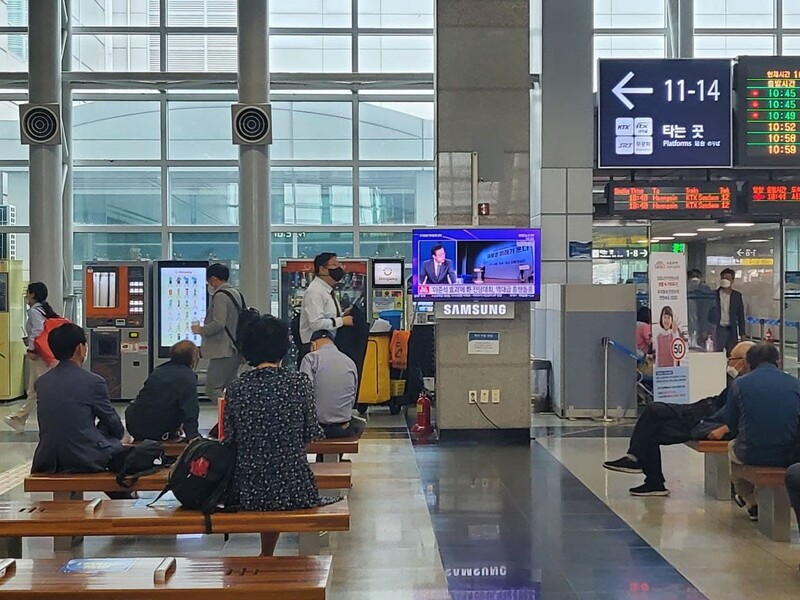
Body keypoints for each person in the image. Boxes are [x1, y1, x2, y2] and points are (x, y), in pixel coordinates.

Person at [222, 315, 336, 556]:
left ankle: (267, 555)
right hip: (295, 486)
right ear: (283, 347)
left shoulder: (236, 388)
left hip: (246, 488)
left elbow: (230, 440)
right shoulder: (299, 383)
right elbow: (310, 434)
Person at [604, 341, 754, 497]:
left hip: (708, 420)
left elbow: (742, 415)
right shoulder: (740, 381)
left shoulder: (748, 385)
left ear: (743, 362)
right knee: (652, 417)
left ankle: (646, 472)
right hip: (704, 409)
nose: (729, 363)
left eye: (732, 359)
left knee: (652, 421)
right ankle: (643, 469)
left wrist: (724, 428)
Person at [708, 343, 800, 521]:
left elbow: (732, 425)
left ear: (748, 363)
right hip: (790, 455)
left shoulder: (739, 384)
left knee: (732, 447)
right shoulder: (795, 384)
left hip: (752, 453)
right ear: (778, 361)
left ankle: (749, 500)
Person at [31, 323, 126, 474]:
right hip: (84, 458)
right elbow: (114, 423)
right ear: (80, 348)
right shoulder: (93, 381)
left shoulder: (42, 383)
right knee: (119, 449)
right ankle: (128, 495)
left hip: (47, 459)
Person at [5, 282, 61, 433]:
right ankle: (19, 418)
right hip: (48, 354)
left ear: (33, 294)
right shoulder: (44, 310)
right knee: (35, 388)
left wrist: (31, 348)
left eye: (28, 292)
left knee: (38, 389)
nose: (26, 295)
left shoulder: (34, 311)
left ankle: (23, 418)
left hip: (41, 355)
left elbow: (38, 329)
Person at [125, 341, 200, 442]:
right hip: (156, 431)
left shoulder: (159, 370)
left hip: (134, 425)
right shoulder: (188, 377)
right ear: (193, 357)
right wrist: (193, 435)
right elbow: (190, 408)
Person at [191, 263, 242, 403]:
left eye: (208, 281)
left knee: (213, 389)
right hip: (235, 347)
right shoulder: (235, 293)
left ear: (213, 279)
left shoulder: (220, 296)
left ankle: (228, 417)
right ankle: (234, 417)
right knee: (229, 387)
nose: (209, 285)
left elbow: (219, 323)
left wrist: (200, 330)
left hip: (223, 349)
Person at [300, 330, 365, 439]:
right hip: (344, 427)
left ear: (313, 344)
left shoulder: (310, 359)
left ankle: (322, 456)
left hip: (318, 429)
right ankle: (332, 456)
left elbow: (304, 395)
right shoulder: (349, 361)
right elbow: (352, 399)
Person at [297, 253, 354, 368]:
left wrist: (342, 315)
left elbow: (328, 316)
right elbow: (316, 323)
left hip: (329, 349)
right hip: (315, 352)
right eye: (334, 265)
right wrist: (342, 321)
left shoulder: (327, 291)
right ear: (322, 269)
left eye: (339, 264)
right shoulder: (315, 292)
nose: (339, 268)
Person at [709, 268, 746, 356]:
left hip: (731, 330)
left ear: (732, 280)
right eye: (723, 278)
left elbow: (740, 316)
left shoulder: (737, 296)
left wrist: (743, 334)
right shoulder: (713, 295)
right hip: (718, 329)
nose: (725, 281)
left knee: (732, 354)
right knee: (717, 354)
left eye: (728, 279)